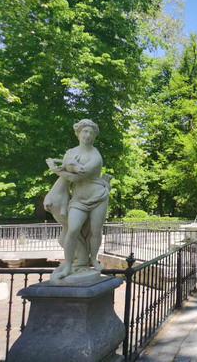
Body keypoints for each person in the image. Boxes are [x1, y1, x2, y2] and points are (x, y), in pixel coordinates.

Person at [46, 119, 112, 279]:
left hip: (98, 196)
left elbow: (76, 177)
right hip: (78, 199)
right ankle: (68, 264)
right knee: (73, 229)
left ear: (94, 136)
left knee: (96, 230)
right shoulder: (70, 153)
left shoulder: (96, 155)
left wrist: (55, 169)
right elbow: (67, 177)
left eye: (91, 132)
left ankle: (93, 260)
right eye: (85, 131)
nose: (87, 135)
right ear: (78, 133)